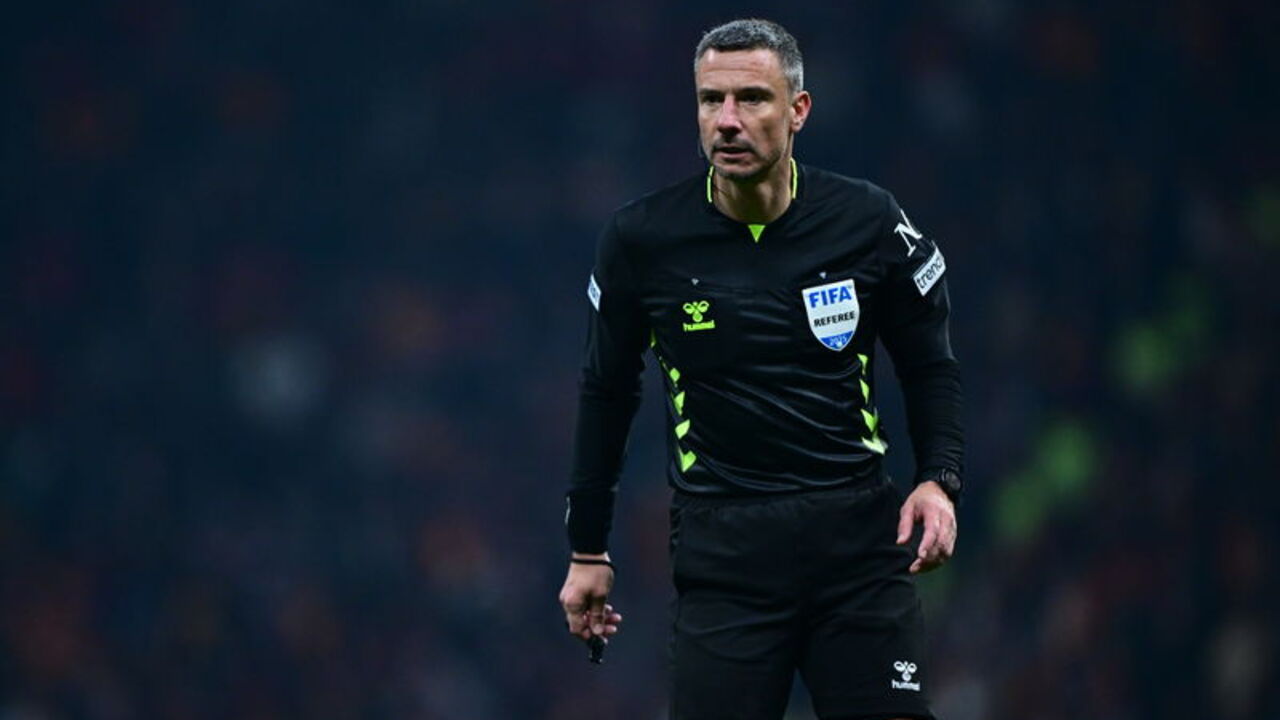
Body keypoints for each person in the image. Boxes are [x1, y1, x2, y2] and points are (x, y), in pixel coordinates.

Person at [557, 18, 964, 720]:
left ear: (798, 110)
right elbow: (606, 392)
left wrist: (939, 477)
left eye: (751, 98)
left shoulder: (866, 220)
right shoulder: (642, 240)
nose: (727, 120)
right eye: (710, 100)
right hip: (726, 557)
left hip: (855, 544)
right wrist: (587, 548)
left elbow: (929, 362)